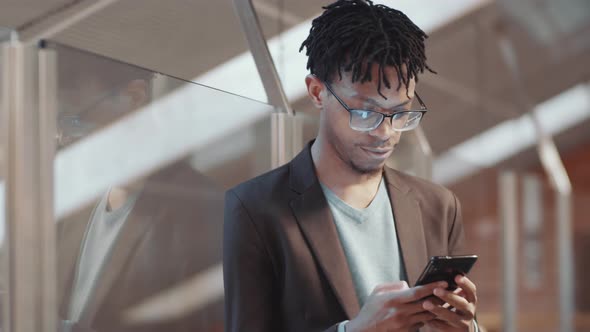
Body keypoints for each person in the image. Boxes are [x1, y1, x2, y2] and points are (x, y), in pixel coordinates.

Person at [223, 1, 479, 332]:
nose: (384, 132)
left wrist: (468, 328)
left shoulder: (439, 206)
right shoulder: (255, 209)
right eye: (364, 112)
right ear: (317, 92)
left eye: (400, 113)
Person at [54, 45, 225, 332]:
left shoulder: (202, 210)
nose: (63, 142)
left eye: (74, 121)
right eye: (56, 127)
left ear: (133, 97)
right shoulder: (74, 206)